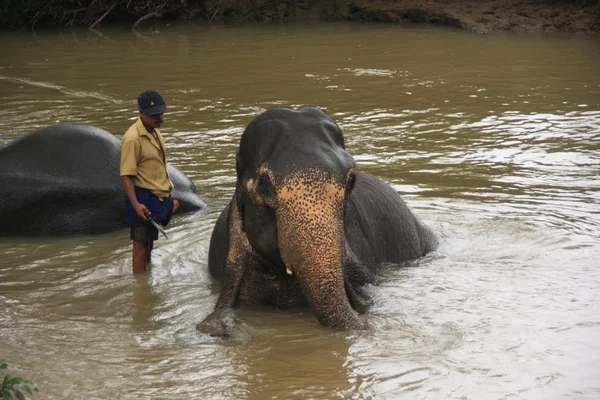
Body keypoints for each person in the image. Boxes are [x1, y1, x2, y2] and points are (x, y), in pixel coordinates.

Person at [120, 90, 179, 273]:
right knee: (140, 245)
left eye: (160, 113)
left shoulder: (155, 132)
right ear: (141, 113)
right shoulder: (132, 139)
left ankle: (148, 274)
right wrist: (136, 204)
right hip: (142, 196)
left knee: (149, 242)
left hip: (158, 195)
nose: (159, 118)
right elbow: (126, 175)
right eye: (154, 115)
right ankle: (140, 289)